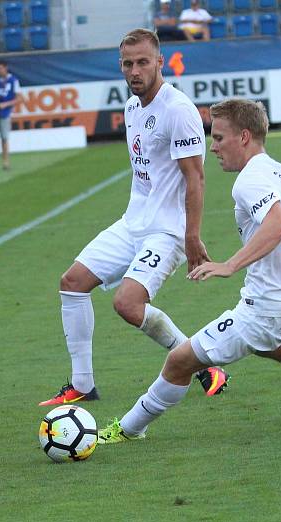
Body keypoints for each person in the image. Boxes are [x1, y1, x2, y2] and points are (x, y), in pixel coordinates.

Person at [97, 98, 281, 445]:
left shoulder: (249, 181)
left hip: (268, 307)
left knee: (179, 362)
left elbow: (276, 227)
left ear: (244, 137)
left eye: (219, 138)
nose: (212, 147)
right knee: (275, 345)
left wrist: (230, 265)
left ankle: (127, 430)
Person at [38, 29, 227, 407]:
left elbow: (196, 177)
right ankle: (82, 385)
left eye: (143, 62)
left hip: (167, 231)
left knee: (127, 304)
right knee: (72, 282)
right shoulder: (131, 107)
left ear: (160, 62)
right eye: (128, 64)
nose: (135, 70)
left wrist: (192, 237)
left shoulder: (178, 110)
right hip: (132, 222)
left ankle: (201, 364)